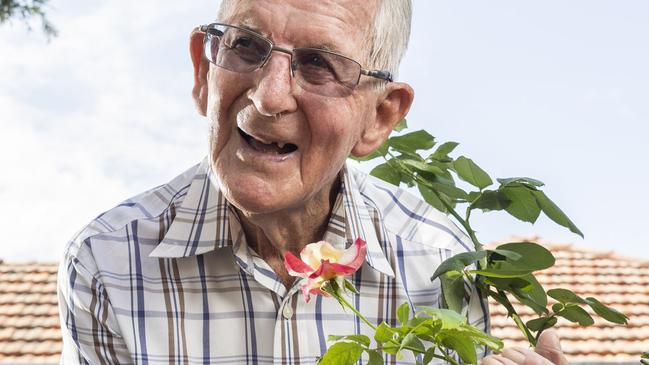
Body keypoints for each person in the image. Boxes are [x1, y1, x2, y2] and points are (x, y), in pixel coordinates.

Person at [57, 0, 568, 364]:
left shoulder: (439, 262)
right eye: (246, 45)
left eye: (319, 64)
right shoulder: (107, 262)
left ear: (380, 118)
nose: (269, 96)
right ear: (202, 71)